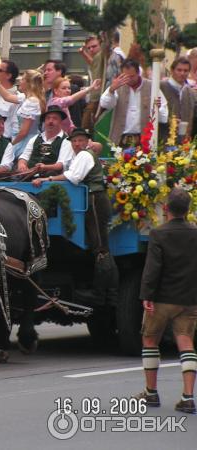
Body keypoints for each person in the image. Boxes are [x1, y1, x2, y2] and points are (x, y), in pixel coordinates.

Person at [136, 188, 197, 414]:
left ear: (166, 209)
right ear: (188, 210)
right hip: (189, 299)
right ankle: (188, 397)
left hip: (162, 299)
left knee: (150, 340)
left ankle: (151, 393)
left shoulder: (159, 234)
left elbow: (153, 269)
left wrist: (146, 295)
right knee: (186, 342)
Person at [32, 128, 110, 256]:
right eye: (74, 141)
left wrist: (48, 178)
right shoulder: (80, 155)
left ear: (86, 142)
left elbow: (74, 177)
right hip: (92, 196)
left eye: (80, 140)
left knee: (99, 241)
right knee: (96, 238)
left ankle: (106, 269)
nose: (76, 144)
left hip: (95, 197)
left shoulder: (84, 155)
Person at [99, 59, 168, 148]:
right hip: (121, 139)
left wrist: (157, 109)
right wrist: (111, 90)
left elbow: (164, 116)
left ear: (138, 72)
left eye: (132, 76)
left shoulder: (152, 86)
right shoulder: (117, 87)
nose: (129, 79)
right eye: (125, 76)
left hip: (146, 140)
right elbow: (105, 104)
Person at [0, 69, 45, 158]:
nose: (19, 81)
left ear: (29, 83)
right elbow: (7, 97)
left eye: (22, 79)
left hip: (26, 141)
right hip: (22, 139)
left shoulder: (32, 102)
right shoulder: (26, 97)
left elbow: (24, 132)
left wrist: (10, 145)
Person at [17, 105, 74, 176]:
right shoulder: (35, 138)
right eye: (48, 118)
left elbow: (61, 165)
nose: (50, 121)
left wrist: (45, 167)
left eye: (55, 118)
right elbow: (24, 156)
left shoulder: (66, 141)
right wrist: (21, 165)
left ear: (61, 121)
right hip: (28, 177)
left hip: (49, 180)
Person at [160, 57, 196, 139]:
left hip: (185, 143)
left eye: (185, 70)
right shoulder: (160, 87)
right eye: (179, 70)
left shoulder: (191, 93)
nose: (182, 73)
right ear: (172, 70)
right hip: (163, 140)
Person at [79, 35, 103, 130]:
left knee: (86, 128)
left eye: (94, 46)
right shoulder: (96, 58)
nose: (91, 49)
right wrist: (83, 53)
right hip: (95, 97)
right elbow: (93, 64)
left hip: (98, 98)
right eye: (89, 48)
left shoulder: (102, 56)